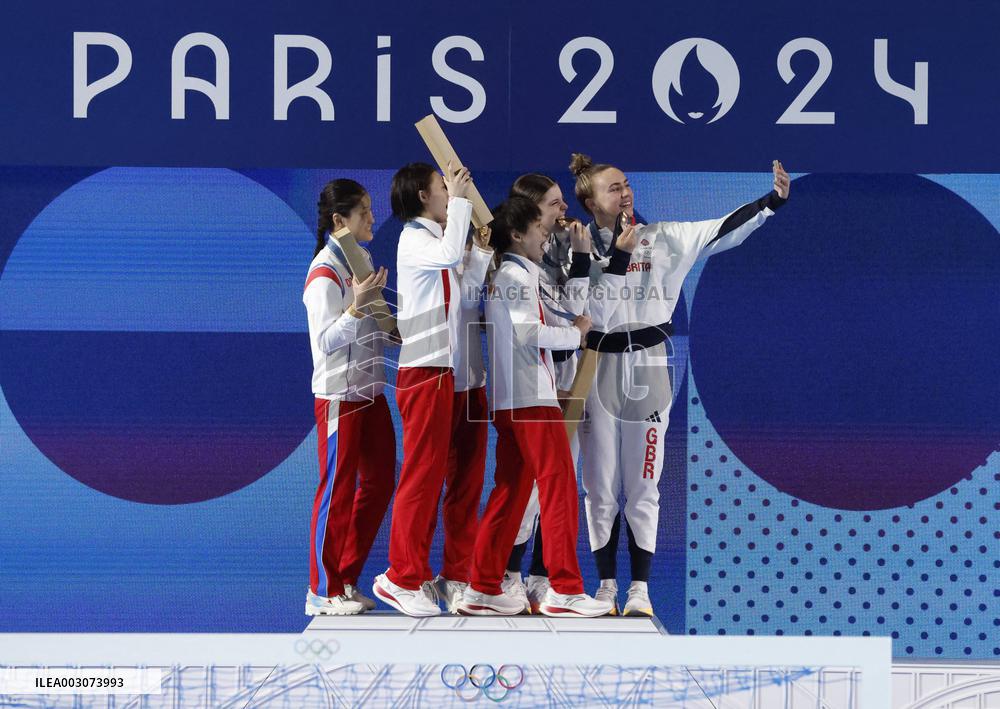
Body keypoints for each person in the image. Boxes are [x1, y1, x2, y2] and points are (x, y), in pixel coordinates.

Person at [570, 154, 791, 616]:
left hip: (649, 366)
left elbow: (721, 226)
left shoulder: (664, 238)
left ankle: (640, 592)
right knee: (599, 487)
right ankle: (607, 586)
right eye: (614, 188)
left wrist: (772, 201)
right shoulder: (577, 249)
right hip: (595, 366)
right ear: (590, 200)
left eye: (627, 183)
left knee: (644, 483)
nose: (626, 192)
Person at [457, 196, 613, 617]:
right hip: (530, 399)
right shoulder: (513, 274)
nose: (546, 239)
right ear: (517, 234)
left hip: (514, 399)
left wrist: (571, 325)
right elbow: (530, 333)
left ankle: (483, 586)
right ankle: (564, 589)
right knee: (558, 487)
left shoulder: (518, 274)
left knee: (510, 492)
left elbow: (538, 325)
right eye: (541, 232)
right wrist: (576, 337)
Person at [373, 162, 493, 616]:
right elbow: (446, 255)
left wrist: (477, 254)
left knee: (463, 481)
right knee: (422, 475)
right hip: (424, 371)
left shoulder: (439, 244)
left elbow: (462, 295)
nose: (449, 192)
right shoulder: (414, 240)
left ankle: (451, 576)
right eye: (443, 187)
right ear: (425, 195)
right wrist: (463, 200)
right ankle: (400, 576)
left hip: (454, 374)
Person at [303, 178, 396, 616]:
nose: (373, 218)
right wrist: (358, 308)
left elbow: (371, 324)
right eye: (364, 212)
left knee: (379, 482)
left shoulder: (361, 261)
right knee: (337, 489)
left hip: (371, 391)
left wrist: (387, 323)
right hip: (339, 394)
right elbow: (324, 341)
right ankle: (321, 590)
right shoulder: (323, 274)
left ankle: (345, 578)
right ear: (340, 221)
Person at [501, 174, 586, 613]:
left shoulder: (556, 248)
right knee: (539, 488)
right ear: (529, 218)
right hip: (531, 384)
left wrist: (586, 256)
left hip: (556, 380)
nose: (562, 210)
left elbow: (569, 309)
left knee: (543, 484)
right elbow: (561, 313)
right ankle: (513, 575)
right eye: (553, 205)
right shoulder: (520, 264)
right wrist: (573, 333)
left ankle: (529, 577)